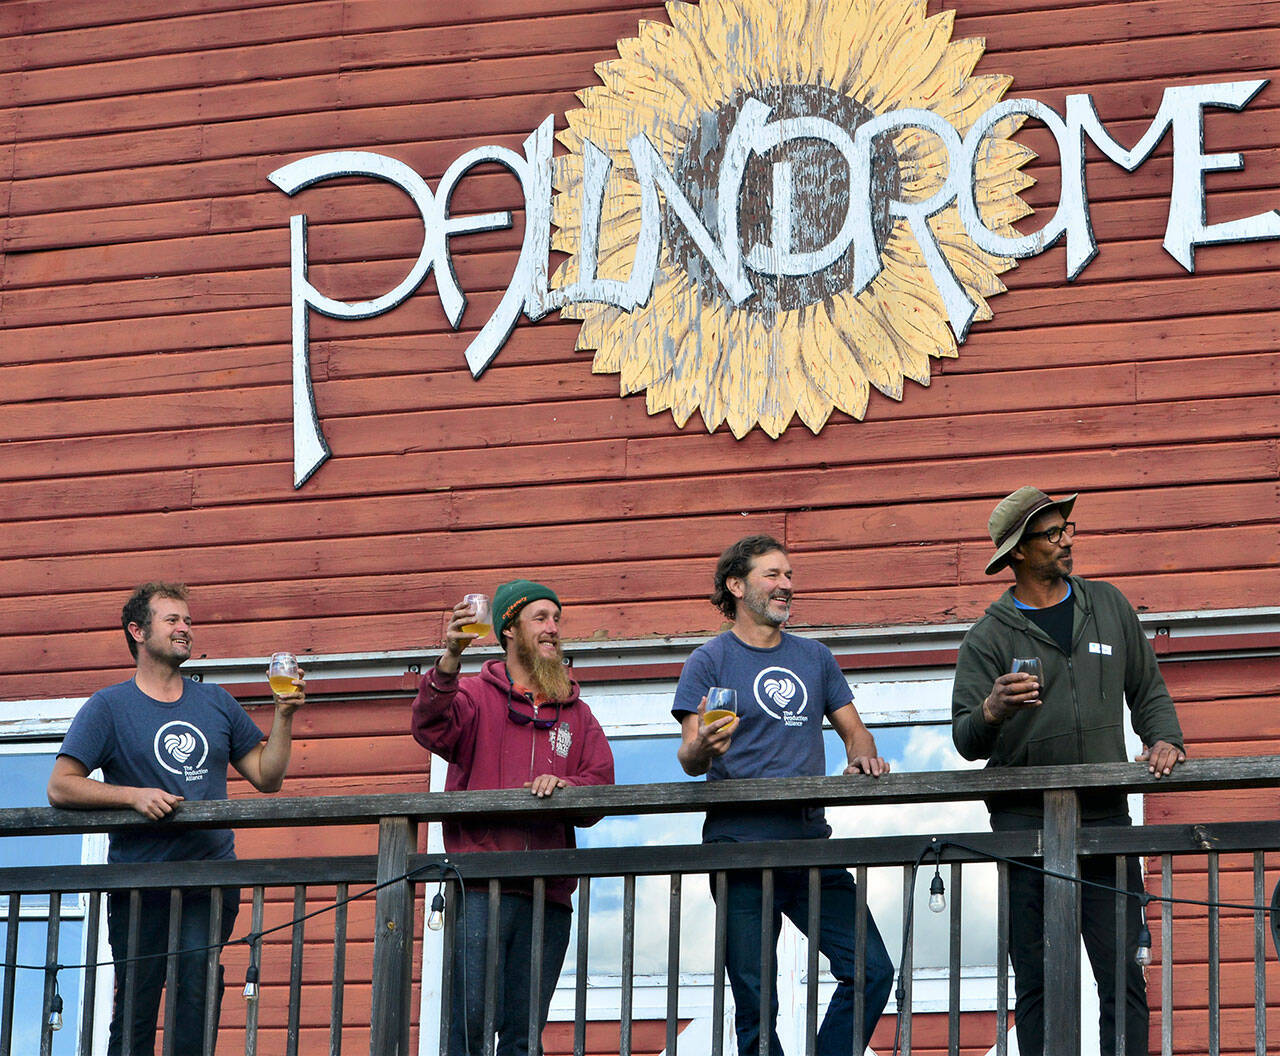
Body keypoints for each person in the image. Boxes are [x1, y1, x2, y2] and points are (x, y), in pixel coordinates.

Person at [951, 486, 1186, 1056]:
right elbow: (965, 738)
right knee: (1038, 981)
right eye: (1052, 534)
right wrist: (991, 709)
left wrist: (1164, 739)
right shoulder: (988, 636)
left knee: (1124, 975)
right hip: (1024, 826)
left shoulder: (1107, 604)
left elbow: (1147, 689)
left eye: (1068, 529)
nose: (1067, 541)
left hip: (1106, 820)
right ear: (1018, 550)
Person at [47, 582, 304, 1056]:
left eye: (188, 620)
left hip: (209, 879)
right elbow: (61, 785)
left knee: (196, 994)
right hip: (138, 883)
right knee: (137, 1006)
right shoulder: (109, 706)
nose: (185, 628)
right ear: (138, 632)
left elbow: (267, 777)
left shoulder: (216, 702)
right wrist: (133, 797)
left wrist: (283, 715)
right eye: (172, 620)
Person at [673, 535, 894, 1056]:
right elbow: (689, 757)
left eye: (789, 575)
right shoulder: (708, 660)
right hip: (738, 845)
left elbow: (855, 732)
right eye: (772, 575)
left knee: (872, 969)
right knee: (756, 1004)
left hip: (809, 840)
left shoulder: (814, 657)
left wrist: (862, 755)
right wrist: (704, 746)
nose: (786, 585)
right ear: (736, 585)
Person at [411, 579, 614, 1056]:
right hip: (480, 885)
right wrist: (450, 657)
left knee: (524, 1035)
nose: (553, 628)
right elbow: (429, 726)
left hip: (548, 891)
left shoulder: (577, 713)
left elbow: (601, 785)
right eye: (540, 618)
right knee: (470, 1028)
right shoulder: (472, 695)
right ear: (509, 629)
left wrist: (567, 788)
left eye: (557, 619)